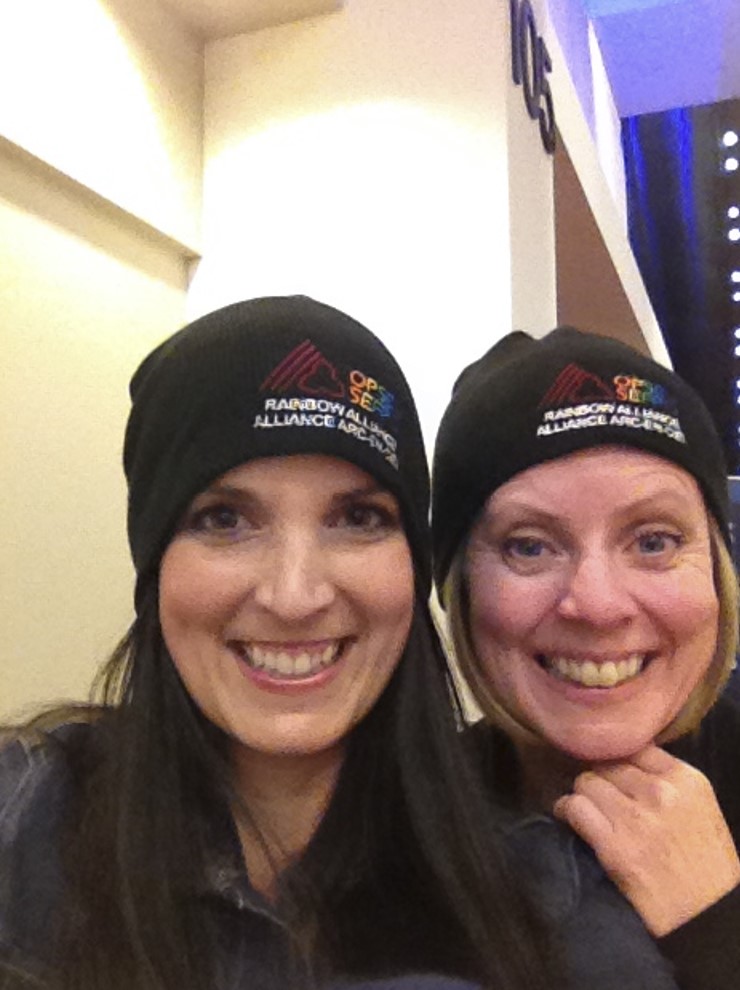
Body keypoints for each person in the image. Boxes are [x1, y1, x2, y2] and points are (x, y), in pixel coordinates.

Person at [0, 297, 556, 990]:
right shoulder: (24, 819)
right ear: (156, 567)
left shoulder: (541, 883)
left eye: (358, 517)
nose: (295, 597)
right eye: (225, 518)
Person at [431, 326, 740, 990]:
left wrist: (719, 933)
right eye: (530, 546)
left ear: (716, 573)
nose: (597, 606)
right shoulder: (396, 824)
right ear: (459, 588)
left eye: (655, 540)